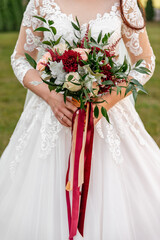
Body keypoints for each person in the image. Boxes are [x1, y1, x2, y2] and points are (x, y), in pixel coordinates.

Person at [0, 0, 160, 239]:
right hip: (52, 114)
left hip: (106, 114)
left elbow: (145, 61)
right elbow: (20, 57)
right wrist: (50, 95)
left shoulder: (123, 3)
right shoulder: (41, 2)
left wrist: (107, 102)